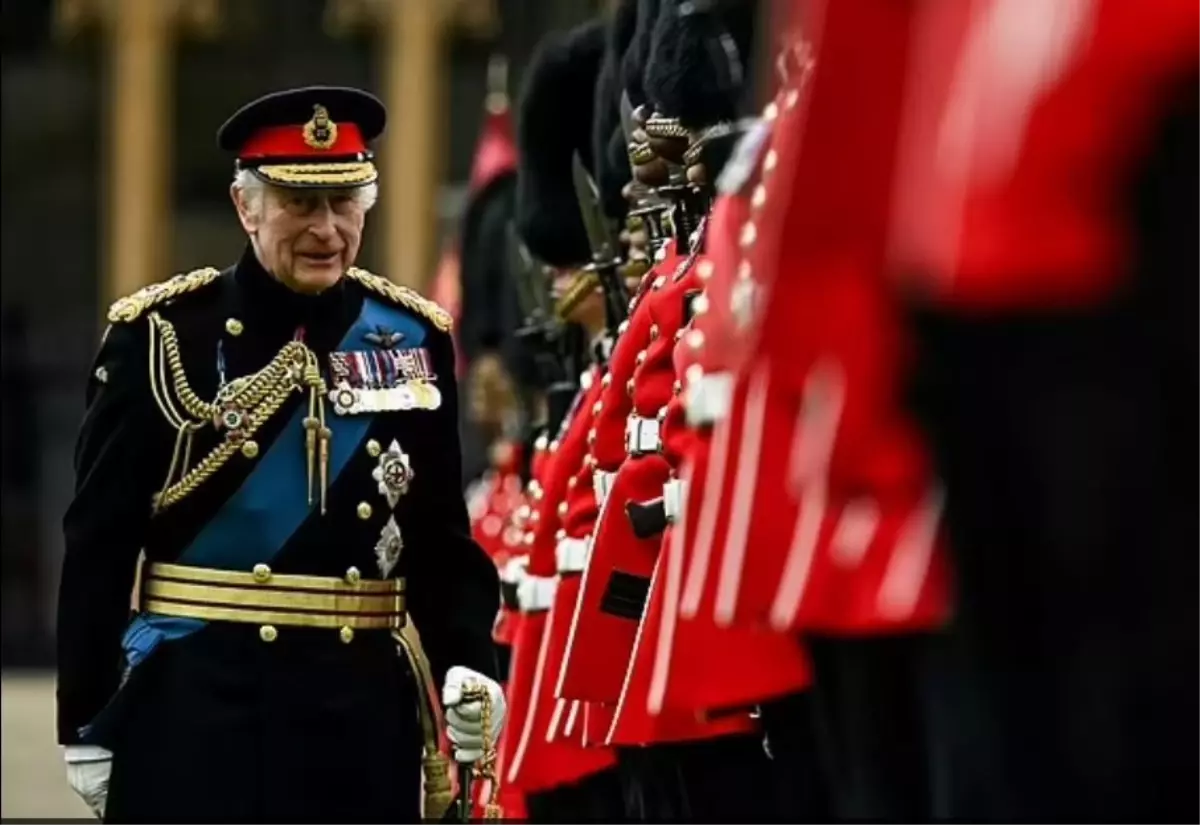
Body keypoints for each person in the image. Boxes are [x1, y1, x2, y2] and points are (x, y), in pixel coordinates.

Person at [57, 85, 506, 821]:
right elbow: (98, 543)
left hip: (358, 720)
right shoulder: (165, 337)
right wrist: (84, 720)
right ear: (247, 208)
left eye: (344, 204)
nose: (325, 229)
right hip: (198, 712)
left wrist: (470, 668)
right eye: (300, 203)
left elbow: (438, 543)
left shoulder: (413, 339)